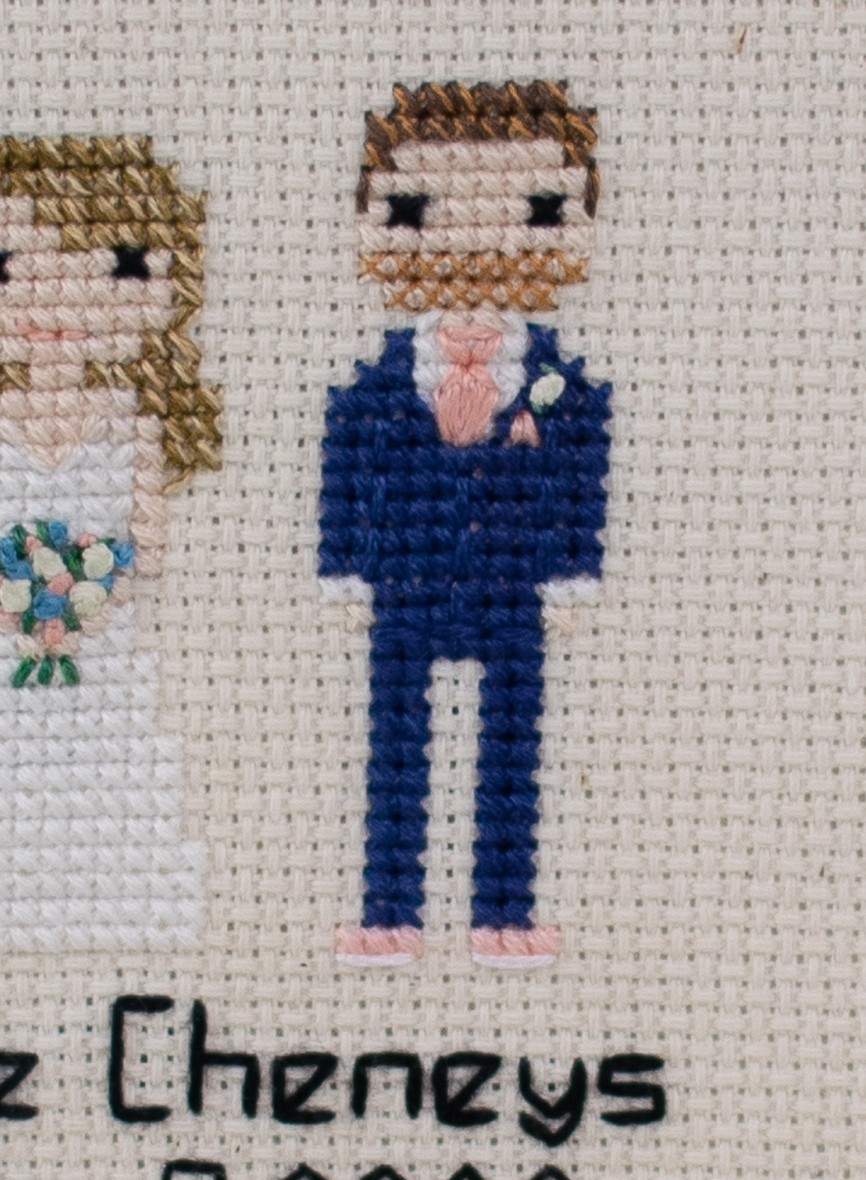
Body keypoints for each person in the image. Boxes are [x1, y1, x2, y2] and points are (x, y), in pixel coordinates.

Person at [0, 135, 219, 953]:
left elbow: (149, 551)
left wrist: (83, 599)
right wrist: (12, 597)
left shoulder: (134, 429)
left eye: (119, 266)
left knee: (104, 765)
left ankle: (111, 905)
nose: (57, 302)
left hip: (104, 646)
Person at [320, 82, 612, 969]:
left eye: (535, 211)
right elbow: (350, 468)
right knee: (396, 748)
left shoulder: (563, 387)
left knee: (512, 749)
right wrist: (343, 568)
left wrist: (574, 571)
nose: (478, 245)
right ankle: (389, 911)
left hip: (515, 585)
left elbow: (579, 477)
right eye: (419, 210)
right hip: (403, 585)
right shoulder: (375, 385)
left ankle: (503, 912)